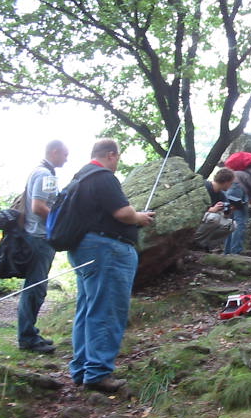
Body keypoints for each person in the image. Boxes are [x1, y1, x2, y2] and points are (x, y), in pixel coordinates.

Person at [67, 139, 155, 392]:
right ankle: (98, 374)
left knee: (88, 309)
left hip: (83, 249)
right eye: (117, 158)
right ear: (111, 155)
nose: (117, 163)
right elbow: (123, 213)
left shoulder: (79, 178)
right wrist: (140, 217)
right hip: (107, 251)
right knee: (107, 310)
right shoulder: (102, 176)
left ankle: (82, 369)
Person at [17, 140, 69, 353]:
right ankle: (28, 338)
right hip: (39, 238)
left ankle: (30, 333)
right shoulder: (45, 174)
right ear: (55, 152)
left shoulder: (43, 172)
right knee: (34, 289)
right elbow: (39, 207)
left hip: (37, 237)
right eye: (65, 155)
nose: (67, 159)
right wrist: (61, 223)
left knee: (36, 288)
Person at [194, 167, 236, 251]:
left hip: (208, 219)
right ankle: (193, 242)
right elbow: (193, 206)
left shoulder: (221, 194)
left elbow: (226, 216)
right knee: (214, 217)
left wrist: (227, 211)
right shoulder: (204, 186)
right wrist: (211, 209)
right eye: (231, 183)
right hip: (197, 218)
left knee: (232, 225)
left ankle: (206, 245)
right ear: (226, 182)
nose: (231, 186)